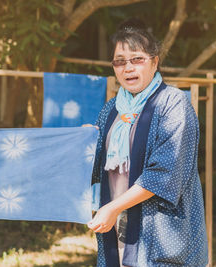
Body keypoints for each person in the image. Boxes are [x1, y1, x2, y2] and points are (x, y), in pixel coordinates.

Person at [87, 18, 208, 267]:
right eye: (120, 61)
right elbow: (97, 168)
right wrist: (84, 143)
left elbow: (164, 174)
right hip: (116, 225)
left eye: (137, 59)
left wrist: (112, 208)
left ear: (155, 61)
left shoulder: (173, 103)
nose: (128, 68)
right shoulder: (111, 110)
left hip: (159, 230)